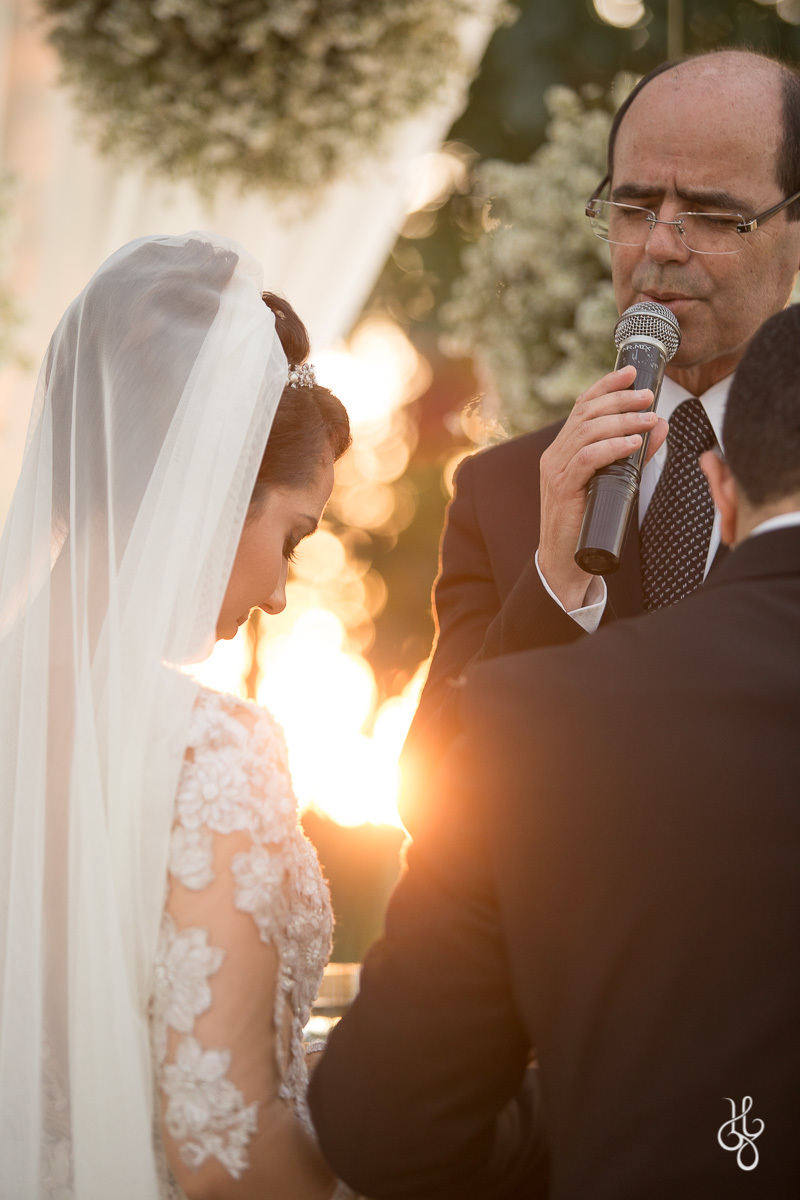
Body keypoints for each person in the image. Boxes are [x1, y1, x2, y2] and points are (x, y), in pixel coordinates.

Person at [308, 301, 800, 1198]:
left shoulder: (531, 723)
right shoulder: (496, 503)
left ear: (722, 497)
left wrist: (581, 1115)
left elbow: (385, 1122)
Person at [0, 232, 357, 1199]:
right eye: (293, 535)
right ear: (212, 487)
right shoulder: (213, 753)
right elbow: (219, 1156)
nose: (282, 592)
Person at [400, 49, 800, 830]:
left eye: (713, 216)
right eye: (633, 207)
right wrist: (554, 584)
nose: (659, 246)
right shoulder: (505, 490)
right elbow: (437, 795)